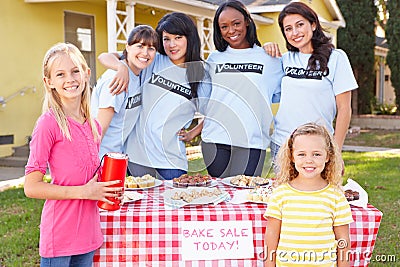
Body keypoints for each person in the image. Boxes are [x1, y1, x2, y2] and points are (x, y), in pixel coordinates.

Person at [24, 43, 123, 267]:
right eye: (60, 74)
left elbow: (88, 175)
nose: (70, 79)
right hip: (60, 238)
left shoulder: (92, 125)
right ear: (49, 82)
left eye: (75, 71)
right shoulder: (48, 124)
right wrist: (84, 192)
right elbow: (31, 187)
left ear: (87, 74)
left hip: (88, 236)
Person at [98, 12, 209, 180]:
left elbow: (213, 111)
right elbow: (104, 56)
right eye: (166, 39)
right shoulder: (153, 59)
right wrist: (120, 66)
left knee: (173, 204)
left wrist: (193, 133)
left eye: (178, 37)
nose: (172, 45)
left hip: (172, 163)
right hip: (137, 158)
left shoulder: (201, 73)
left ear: (190, 38)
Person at [263, 2, 358, 168]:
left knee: (318, 194)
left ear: (313, 24)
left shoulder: (336, 58)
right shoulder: (284, 60)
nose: (295, 33)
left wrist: (336, 151)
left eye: (300, 25)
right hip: (283, 145)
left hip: (318, 148)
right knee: (284, 194)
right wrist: (264, 49)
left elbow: (344, 109)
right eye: (288, 28)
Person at [199, 0, 283, 177]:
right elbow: (208, 101)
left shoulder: (270, 59)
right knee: (219, 197)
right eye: (224, 26)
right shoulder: (214, 58)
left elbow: (280, 96)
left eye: (236, 23)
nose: (231, 30)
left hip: (252, 143)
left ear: (247, 21)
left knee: (245, 197)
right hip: (215, 140)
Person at [263, 122, 353, 267]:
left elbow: (343, 240)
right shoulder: (280, 194)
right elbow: (271, 236)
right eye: (301, 154)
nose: (309, 160)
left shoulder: (336, 197)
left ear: (327, 156)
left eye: (316, 154)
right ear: (292, 156)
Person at [91, 25, 158, 159]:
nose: (145, 53)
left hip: (117, 156)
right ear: (127, 47)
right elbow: (98, 132)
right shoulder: (116, 80)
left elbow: (107, 56)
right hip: (101, 159)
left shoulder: (138, 73)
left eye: (150, 48)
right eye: (140, 46)